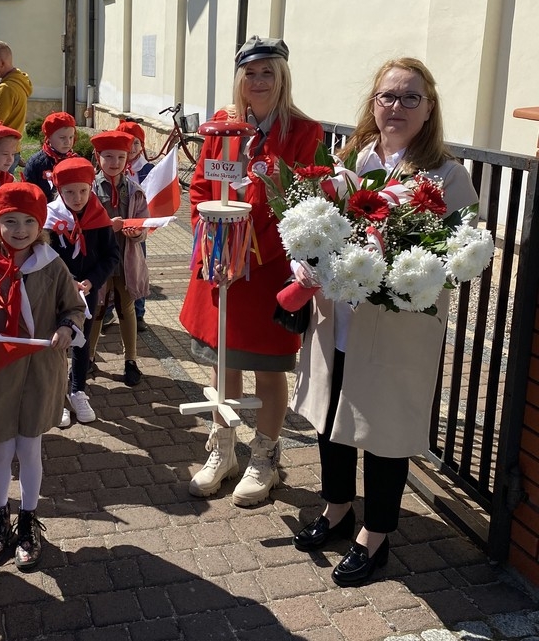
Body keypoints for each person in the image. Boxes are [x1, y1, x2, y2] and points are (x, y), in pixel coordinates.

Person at [290, 57, 478, 587]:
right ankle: (336, 508)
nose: (396, 107)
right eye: (387, 96)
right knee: (332, 419)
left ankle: (376, 537)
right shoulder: (351, 157)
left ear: (429, 108)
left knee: (383, 429)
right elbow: (318, 226)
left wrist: (398, 270)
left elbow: (460, 255)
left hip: (396, 327)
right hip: (339, 315)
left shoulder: (446, 174)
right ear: (373, 103)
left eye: (409, 98)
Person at [179, 36, 323, 506]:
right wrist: (218, 244)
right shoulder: (224, 128)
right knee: (225, 362)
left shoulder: (304, 132)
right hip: (221, 262)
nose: (258, 81)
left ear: (282, 78)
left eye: (268, 72)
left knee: (267, 366)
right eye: (250, 73)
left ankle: (265, 457)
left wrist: (246, 247)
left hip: (266, 265)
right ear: (239, 78)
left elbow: (302, 200)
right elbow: (201, 185)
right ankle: (223, 451)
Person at [0, 183, 85, 569]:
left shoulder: (52, 264)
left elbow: (74, 307)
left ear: (41, 223)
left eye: (29, 221)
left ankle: (29, 520)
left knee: (30, 448)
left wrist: (66, 326)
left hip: (40, 372)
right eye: (9, 221)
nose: (19, 229)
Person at [45, 157, 120, 426]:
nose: (77, 198)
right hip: (56, 291)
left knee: (82, 340)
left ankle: (78, 390)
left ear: (91, 187)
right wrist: (66, 281)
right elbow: (45, 256)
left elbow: (112, 255)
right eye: (69, 192)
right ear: (58, 191)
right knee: (56, 341)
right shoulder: (49, 219)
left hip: (87, 291)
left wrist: (92, 280)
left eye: (83, 191)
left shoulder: (99, 218)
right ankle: (58, 396)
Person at [86, 130, 150, 387]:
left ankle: (131, 360)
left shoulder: (135, 190)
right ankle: (87, 358)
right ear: (97, 157)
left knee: (127, 309)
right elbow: (79, 225)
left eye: (120, 157)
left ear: (128, 159)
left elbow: (144, 224)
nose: (114, 162)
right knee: (96, 310)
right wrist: (105, 227)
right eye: (108, 156)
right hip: (99, 262)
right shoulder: (88, 189)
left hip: (126, 260)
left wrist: (137, 233)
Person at [118, 120, 155, 331]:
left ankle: (138, 313)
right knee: (113, 271)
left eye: (136, 143)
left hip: (138, 230)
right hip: (115, 227)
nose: (132, 148)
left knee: (137, 268)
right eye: (128, 143)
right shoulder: (114, 164)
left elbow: (156, 193)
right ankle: (106, 312)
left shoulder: (147, 169)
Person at [0, 41, 33, 170]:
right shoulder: (18, 81)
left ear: (2, 63)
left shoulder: (6, 88)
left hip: (1, 151)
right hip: (10, 148)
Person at [23, 112, 78, 202]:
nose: (67, 142)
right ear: (49, 137)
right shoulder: (36, 163)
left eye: (71, 137)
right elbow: (28, 193)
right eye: (62, 137)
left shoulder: (77, 161)